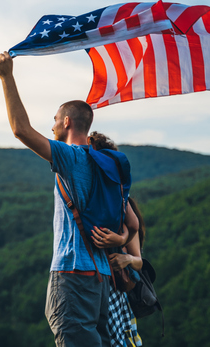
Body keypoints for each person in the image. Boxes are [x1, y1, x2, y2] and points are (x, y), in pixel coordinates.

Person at [0, 51, 133, 347]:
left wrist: (7, 77)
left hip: (72, 273)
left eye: (55, 120)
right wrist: (120, 238)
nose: (53, 126)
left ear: (67, 122)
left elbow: (21, 130)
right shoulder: (107, 163)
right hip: (101, 279)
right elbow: (129, 222)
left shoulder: (71, 158)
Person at [88, 133, 145, 347]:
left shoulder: (122, 204)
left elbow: (139, 262)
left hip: (115, 294)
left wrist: (126, 259)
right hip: (96, 290)